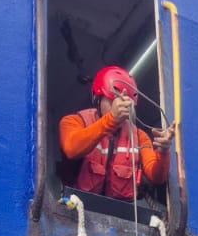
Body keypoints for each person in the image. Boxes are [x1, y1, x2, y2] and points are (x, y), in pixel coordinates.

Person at [59, 65, 173, 201]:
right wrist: (111, 119)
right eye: (112, 100)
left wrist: (163, 152)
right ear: (97, 98)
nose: (120, 106)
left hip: (121, 215)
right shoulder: (73, 121)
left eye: (126, 103)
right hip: (76, 208)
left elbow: (157, 177)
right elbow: (71, 149)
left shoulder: (139, 136)